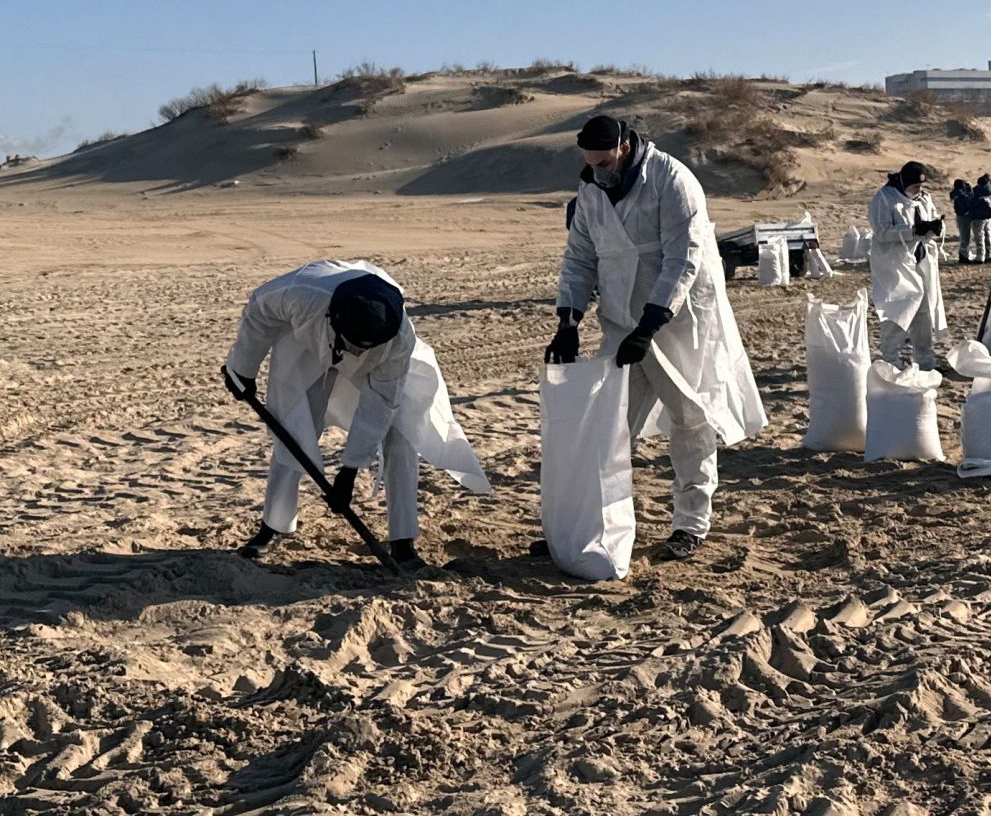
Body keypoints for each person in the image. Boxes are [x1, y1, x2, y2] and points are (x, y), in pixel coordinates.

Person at [546, 115, 767, 561]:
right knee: (609, 424)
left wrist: (651, 323)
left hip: (681, 318)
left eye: (605, 161)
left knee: (690, 419)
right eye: (592, 164)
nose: (600, 171)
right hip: (619, 318)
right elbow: (580, 257)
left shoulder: (672, 179)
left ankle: (690, 523)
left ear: (624, 147)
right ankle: (596, 524)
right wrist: (568, 321)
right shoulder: (591, 189)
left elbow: (683, 258)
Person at [222, 260, 490, 570]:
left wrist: (348, 472)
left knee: (400, 434)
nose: (357, 353)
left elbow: (379, 407)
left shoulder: (398, 340)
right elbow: (259, 313)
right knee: (294, 426)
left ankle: (403, 543)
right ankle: (274, 525)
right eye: (353, 345)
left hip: (378, 368)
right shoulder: (302, 293)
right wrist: (242, 370)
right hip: (308, 345)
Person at [869, 161, 947, 369]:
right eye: (914, 186)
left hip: (921, 261)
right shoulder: (885, 199)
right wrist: (912, 230)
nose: (918, 190)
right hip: (896, 265)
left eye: (921, 186)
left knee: (924, 313)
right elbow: (882, 232)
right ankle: (890, 360)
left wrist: (933, 228)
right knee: (898, 311)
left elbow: (928, 224)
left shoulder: (924, 199)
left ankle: (925, 361)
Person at [969, 174, 991, 263]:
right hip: (988, 216)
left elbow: (972, 202)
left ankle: (980, 257)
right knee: (988, 236)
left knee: (979, 237)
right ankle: (989, 255)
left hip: (978, 217)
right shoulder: (990, 190)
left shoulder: (976, 191)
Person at [950, 179, 974, 263]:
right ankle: (964, 256)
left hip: (959, 216)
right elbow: (970, 198)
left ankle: (964, 254)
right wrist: (970, 188)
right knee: (965, 237)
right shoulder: (961, 194)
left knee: (963, 236)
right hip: (964, 216)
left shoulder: (955, 193)